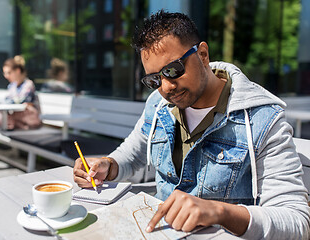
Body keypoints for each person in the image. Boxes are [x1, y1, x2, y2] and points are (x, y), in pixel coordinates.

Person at [73, 10, 310, 239]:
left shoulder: (263, 120)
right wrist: (107, 165)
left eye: (173, 70)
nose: (165, 87)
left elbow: (296, 221)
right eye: (154, 79)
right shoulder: (157, 104)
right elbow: (133, 154)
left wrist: (219, 212)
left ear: (203, 55)